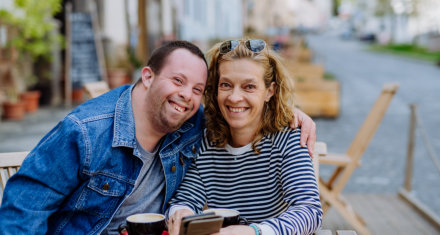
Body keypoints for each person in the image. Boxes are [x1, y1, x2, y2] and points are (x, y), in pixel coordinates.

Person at [0, 41, 315, 234]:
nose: (186, 97)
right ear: (147, 76)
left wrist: (290, 113)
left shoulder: (193, 126)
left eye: (196, 89)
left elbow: (308, 209)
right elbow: (24, 208)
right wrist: (182, 210)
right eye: (178, 81)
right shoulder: (86, 132)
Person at [167, 39, 322, 235]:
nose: (234, 97)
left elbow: (309, 211)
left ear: (270, 91)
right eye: (226, 85)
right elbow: (186, 198)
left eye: (249, 86)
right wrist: (181, 213)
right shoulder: (207, 141)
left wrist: (254, 232)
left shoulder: (288, 138)